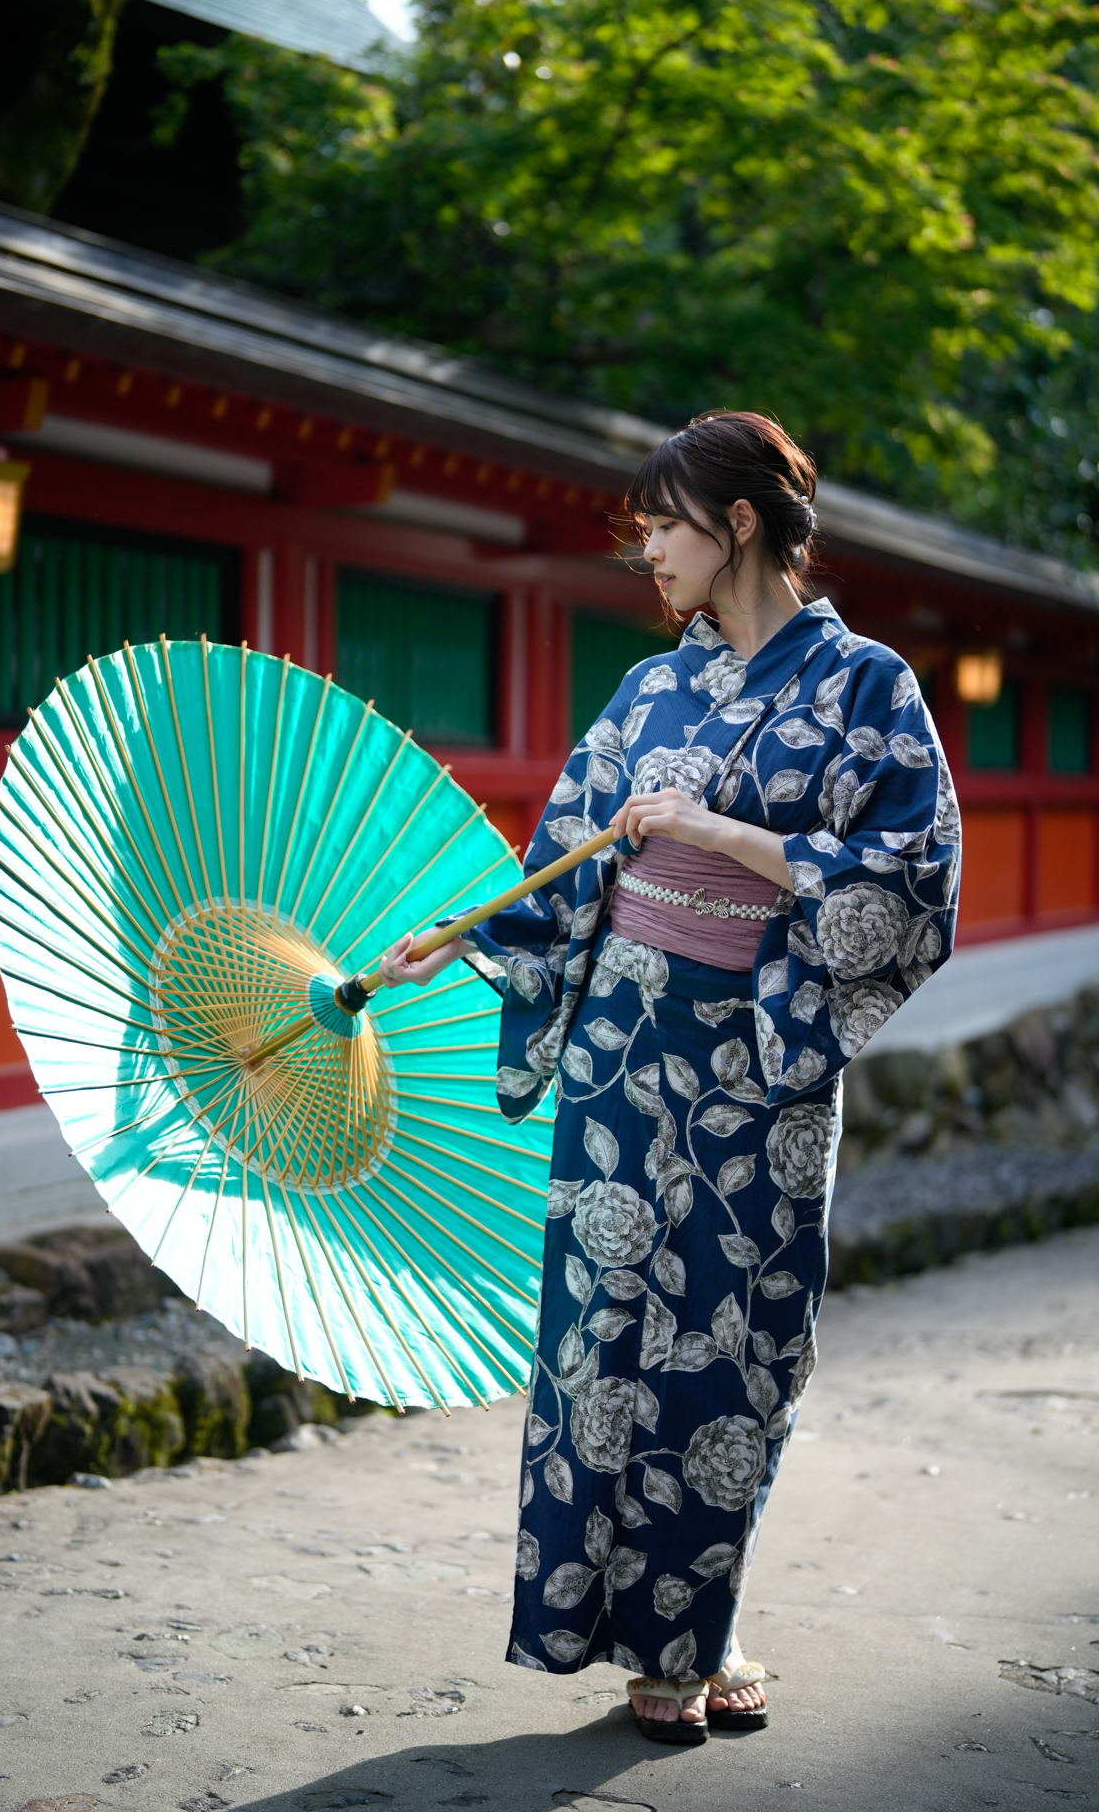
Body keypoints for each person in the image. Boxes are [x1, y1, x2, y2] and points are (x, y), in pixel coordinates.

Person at [375, 410, 960, 1743]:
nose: (647, 546)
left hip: (759, 1060)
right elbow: (569, 856)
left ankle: (699, 1625)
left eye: (665, 521)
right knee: (595, 1342)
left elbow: (913, 880)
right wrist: (465, 938)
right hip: (620, 1053)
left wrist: (716, 830)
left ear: (739, 523)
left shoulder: (870, 688)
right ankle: (623, 1628)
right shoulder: (646, 694)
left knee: (733, 1348)